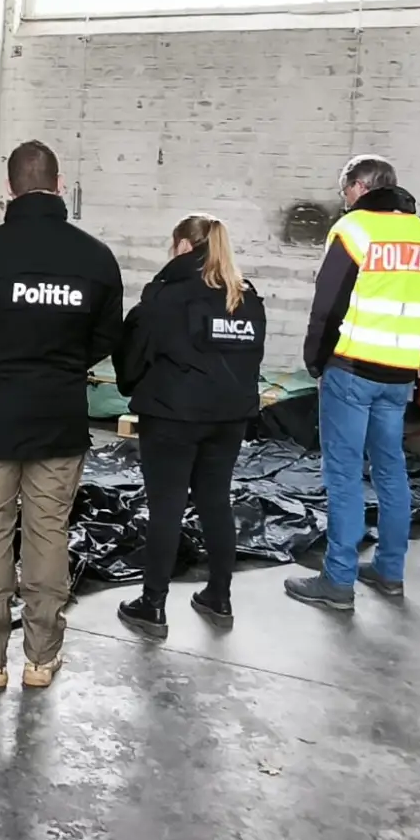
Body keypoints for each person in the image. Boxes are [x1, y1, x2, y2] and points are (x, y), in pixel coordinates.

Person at [0, 140, 123, 688]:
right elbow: (107, 334)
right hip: (59, 419)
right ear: (60, 186)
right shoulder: (95, 258)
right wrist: (63, 366)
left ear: (8, 190)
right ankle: (42, 657)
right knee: (49, 533)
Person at [286, 154, 420, 612]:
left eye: (345, 190)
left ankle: (338, 581)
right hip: (399, 374)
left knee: (344, 473)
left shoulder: (353, 230)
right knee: (391, 469)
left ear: (358, 187)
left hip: (352, 370)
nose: (344, 199)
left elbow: (328, 306)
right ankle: (390, 571)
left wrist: (316, 361)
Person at [113, 215, 267, 634]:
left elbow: (132, 353)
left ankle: (152, 605)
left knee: (167, 506)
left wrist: (138, 386)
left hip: (172, 416)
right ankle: (219, 597)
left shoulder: (167, 295)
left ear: (183, 246)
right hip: (230, 417)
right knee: (216, 502)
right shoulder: (246, 297)